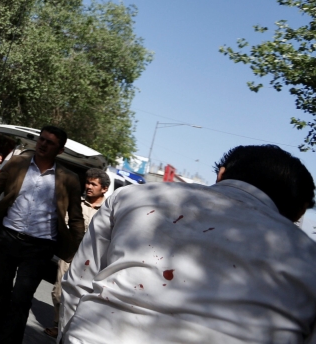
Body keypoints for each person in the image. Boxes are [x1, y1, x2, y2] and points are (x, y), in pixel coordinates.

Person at [60, 145, 316, 344]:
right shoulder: (307, 256)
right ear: (295, 212)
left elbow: (78, 283)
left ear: (221, 174)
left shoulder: (131, 196)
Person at [0, 125, 84, 344]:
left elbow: (76, 218)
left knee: (21, 299)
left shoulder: (68, 179)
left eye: (50, 143)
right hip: (8, 238)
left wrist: (78, 250)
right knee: (0, 293)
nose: (43, 144)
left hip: (40, 247)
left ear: (60, 150)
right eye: (42, 139)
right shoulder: (17, 163)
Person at [44, 167, 108, 339]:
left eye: (93, 184)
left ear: (104, 189)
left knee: (83, 296)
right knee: (59, 292)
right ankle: (58, 325)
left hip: (92, 261)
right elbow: (64, 224)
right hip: (70, 255)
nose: (89, 187)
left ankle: (73, 330)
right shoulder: (77, 204)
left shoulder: (108, 211)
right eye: (87, 183)